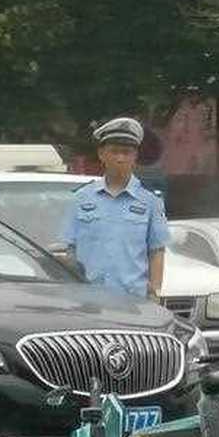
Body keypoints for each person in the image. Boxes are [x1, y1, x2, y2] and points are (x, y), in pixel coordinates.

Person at [59, 116, 170, 300]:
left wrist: (154, 292)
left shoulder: (150, 201)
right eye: (114, 151)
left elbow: (157, 250)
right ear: (102, 154)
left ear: (135, 156)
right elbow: (70, 249)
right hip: (88, 300)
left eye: (127, 152)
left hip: (133, 300)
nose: (120, 158)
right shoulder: (80, 198)